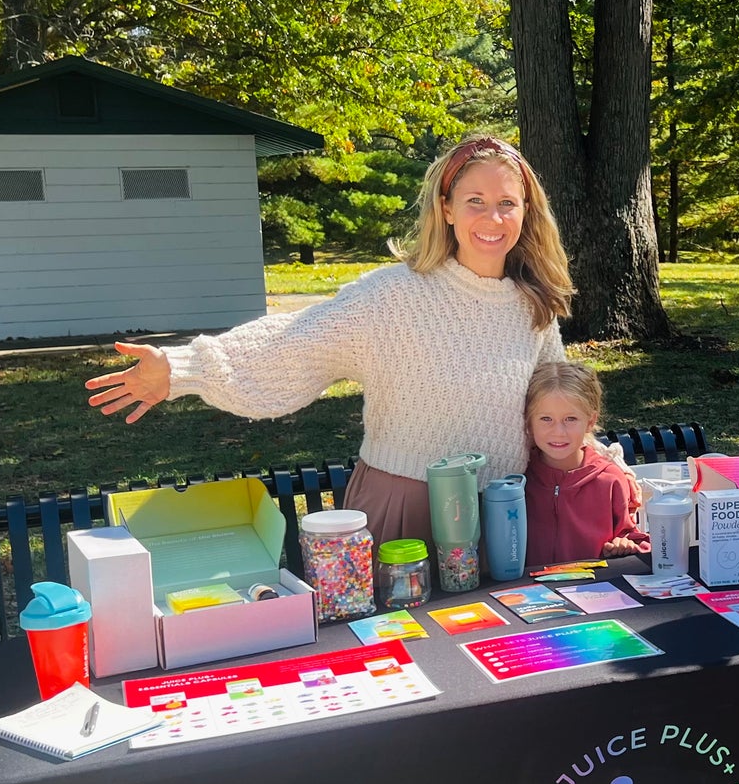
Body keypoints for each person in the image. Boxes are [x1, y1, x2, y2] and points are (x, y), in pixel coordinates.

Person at [85, 136, 573, 550]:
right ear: (446, 208)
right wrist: (181, 368)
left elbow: (560, 405)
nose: (493, 218)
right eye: (475, 201)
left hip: (505, 513)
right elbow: (295, 341)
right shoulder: (394, 296)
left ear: (527, 211)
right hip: (406, 508)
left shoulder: (534, 307)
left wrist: (599, 469)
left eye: (507, 203)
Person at [523, 362, 649, 567]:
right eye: (546, 418)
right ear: (529, 421)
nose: (558, 432)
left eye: (570, 419)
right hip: (528, 587)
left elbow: (632, 537)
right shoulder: (519, 479)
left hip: (592, 586)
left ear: (590, 421)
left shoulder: (610, 480)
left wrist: (624, 545)